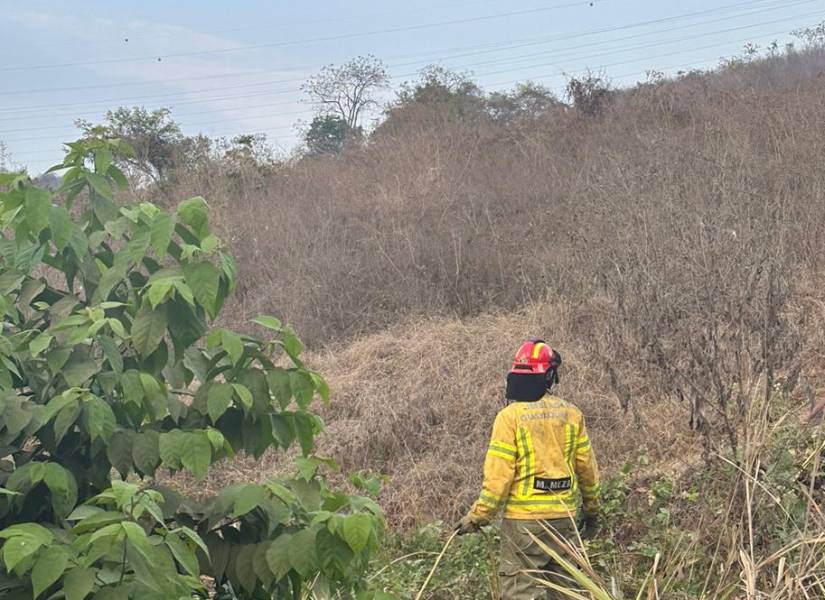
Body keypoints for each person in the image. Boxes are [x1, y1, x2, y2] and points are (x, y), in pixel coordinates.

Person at [456, 339, 601, 599]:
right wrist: (592, 512)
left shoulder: (509, 417)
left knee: (520, 591)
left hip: (523, 526)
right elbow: (587, 470)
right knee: (567, 590)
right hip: (563, 521)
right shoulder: (572, 414)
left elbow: (498, 478)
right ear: (549, 375)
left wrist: (479, 516)